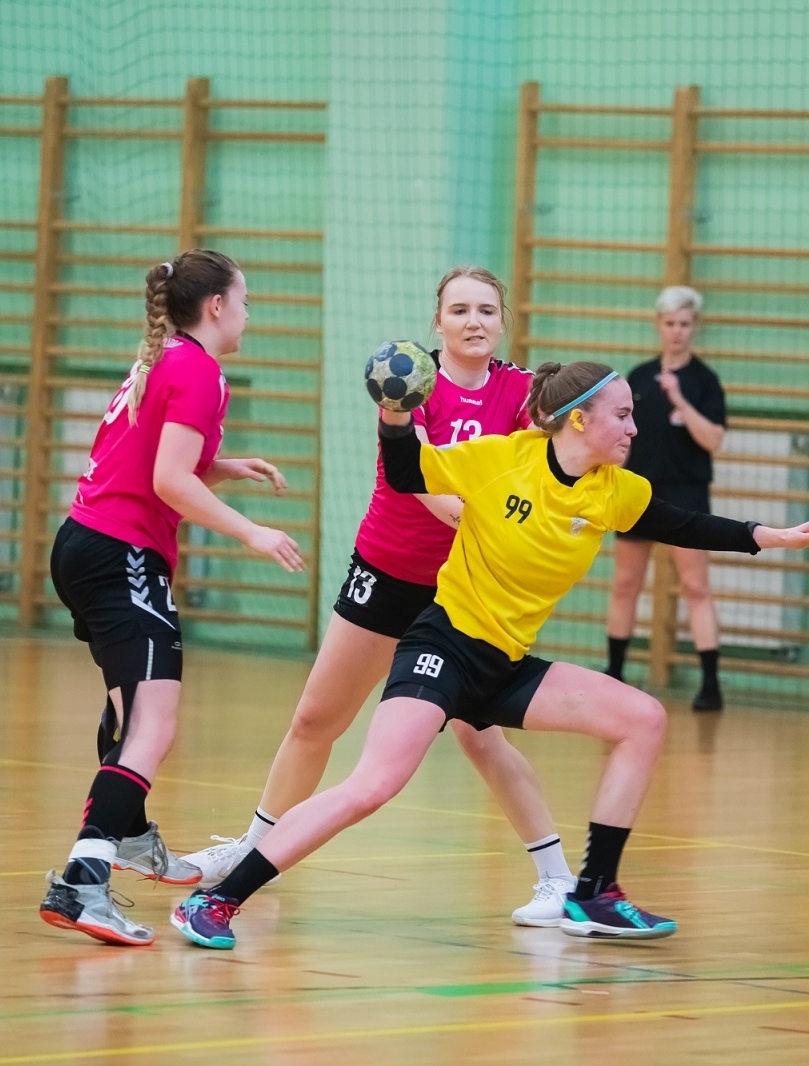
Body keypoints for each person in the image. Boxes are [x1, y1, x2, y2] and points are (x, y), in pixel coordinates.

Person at [169, 360, 809, 950]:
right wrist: (395, 418)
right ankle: (216, 899)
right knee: (374, 784)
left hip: (504, 665)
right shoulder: (503, 459)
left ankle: (594, 892)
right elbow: (407, 473)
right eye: (622, 415)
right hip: (444, 645)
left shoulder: (615, 492)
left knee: (643, 718)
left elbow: (686, 524)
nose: (633, 429)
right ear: (578, 422)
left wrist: (772, 536)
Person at [180, 267, 580, 926]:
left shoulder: (518, 393)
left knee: (482, 738)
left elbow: (542, 469)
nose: (474, 321)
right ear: (439, 320)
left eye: (485, 309)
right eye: (459, 310)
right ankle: (254, 848)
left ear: (502, 319)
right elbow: (418, 481)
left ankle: (558, 880)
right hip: (387, 573)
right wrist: (487, 515)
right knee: (317, 719)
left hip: (463, 594)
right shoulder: (408, 378)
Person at [37, 249, 303, 946]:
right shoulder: (200, 371)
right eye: (245, 300)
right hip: (123, 551)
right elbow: (168, 481)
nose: (250, 313)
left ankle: (125, 837)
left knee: (129, 710)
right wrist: (251, 531)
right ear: (216, 306)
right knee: (154, 723)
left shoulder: (168, 359)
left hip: (85, 543)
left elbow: (157, 453)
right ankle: (81, 883)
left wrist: (224, 466)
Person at [604, 285, 728, 710]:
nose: (677, 332)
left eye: (685, 324)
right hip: (638, 492)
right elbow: (620, 439)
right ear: (659, 326)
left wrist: (679, 399)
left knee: (695, 586)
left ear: (696, 328)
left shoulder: (704, 382)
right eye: (670, 323)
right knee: (625, 584)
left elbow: (713, 439)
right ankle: (614, 674)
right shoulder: (637, 377)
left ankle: (710, 683)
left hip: (686, 495)